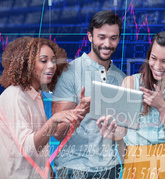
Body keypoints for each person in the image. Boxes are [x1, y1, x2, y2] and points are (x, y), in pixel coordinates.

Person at [96, 31, 165, 178]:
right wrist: (111, 134)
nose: (157, 66)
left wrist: (163, 108)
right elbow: (121, 132)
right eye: (153, 58)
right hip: (137, 162)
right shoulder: (130, 83)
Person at [0, 37, 88, 178]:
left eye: (53, 60)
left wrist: (78, 113)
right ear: (28, 64)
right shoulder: (15, 96)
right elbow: (29, 148)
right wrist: (54, 120)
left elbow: (40, 145)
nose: (51, 65)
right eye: (44, 60)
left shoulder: (35, 95)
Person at [52, 10, 126, 178]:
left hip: (110, 169)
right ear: (90, 36)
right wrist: (80, 110)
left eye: (113, 38)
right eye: (101, 37)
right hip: (73, 168)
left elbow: (122, 134)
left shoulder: (121, 78)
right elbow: (57, 133)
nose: (107, 44)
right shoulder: (70, 72)